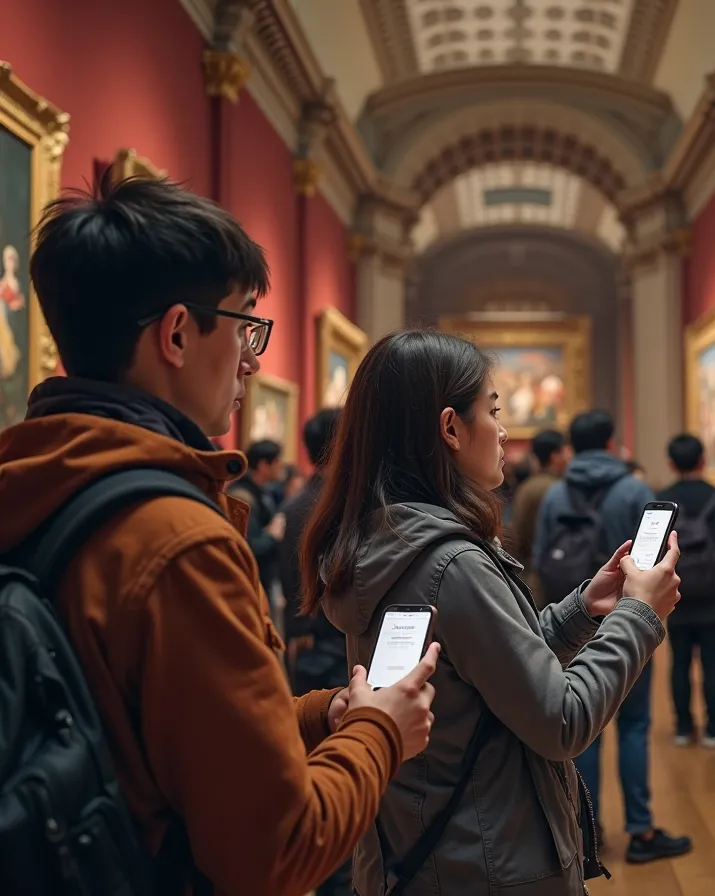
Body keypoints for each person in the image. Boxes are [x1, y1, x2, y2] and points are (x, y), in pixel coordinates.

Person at [0, 174, 437, 895]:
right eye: (244, 326)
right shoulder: (176, 540)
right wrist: (381, 730)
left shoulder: (36, 473)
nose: (253, 360)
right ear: (176, 333)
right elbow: (278, 851)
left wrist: (314, 713)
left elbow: (134, 729)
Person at [300, 331, 684, 895]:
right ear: (451, 428)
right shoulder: (451, 564)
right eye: (494, 411)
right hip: (490, 866)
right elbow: (562, 718)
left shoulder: (386, 540)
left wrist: (583, 609)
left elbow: (482, 672)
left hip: (424, 857)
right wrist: (639, 613)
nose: (505, 432)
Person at [534, 410, 692, 864]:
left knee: (585, 728)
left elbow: (542, 557)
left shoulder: (555, 493)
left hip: (573, 617)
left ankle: (587, 831)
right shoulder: (634, 491)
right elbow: (659, 564)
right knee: (635, 725)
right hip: (629, 615)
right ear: (610, 439)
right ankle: (640, 831)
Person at [278, 408, 353, 896]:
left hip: (307, 652)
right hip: (335, 653)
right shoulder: (334, 503)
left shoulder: (297, 501)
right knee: (338, 789)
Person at [657, 434, 715, 748]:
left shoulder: (662, 500)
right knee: (712, 661)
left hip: (674, 597)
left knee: (679, 661)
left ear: (671, 463)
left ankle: (683, 726)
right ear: (703, 460)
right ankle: (714, 725)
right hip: (714, 597)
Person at [509, 428, 570, 584]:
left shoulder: (526, 487)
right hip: (555, 575)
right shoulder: (561, 490)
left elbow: (517, 533)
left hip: (530, 572)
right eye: (565, 452)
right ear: (555, 456)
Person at [227, 438, 286, 594]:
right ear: (263, 465)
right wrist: (272, 535)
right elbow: (250, 546)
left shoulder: (261, 491)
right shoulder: (241, 496)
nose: (281, 466)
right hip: (249, 583)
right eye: (277, 461)